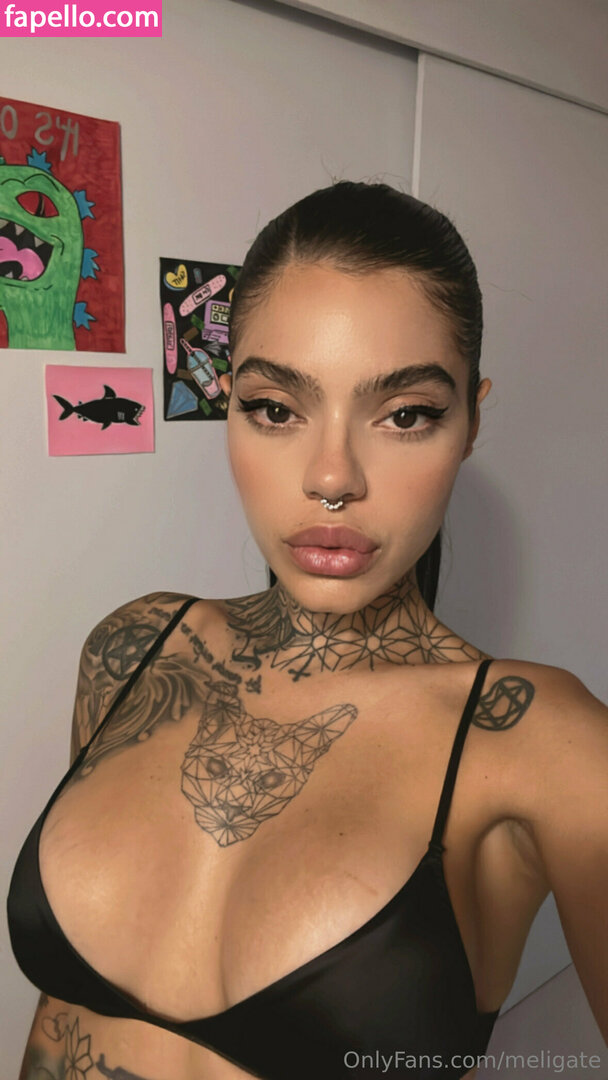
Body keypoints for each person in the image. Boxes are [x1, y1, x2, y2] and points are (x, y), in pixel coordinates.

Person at [7, 181, 607, 1080]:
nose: (332, 477)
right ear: (228, 405)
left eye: (405, 415)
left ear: (471, 421)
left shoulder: (542, 743)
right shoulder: (134, 649)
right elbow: (58, 1019)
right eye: (276, 408)